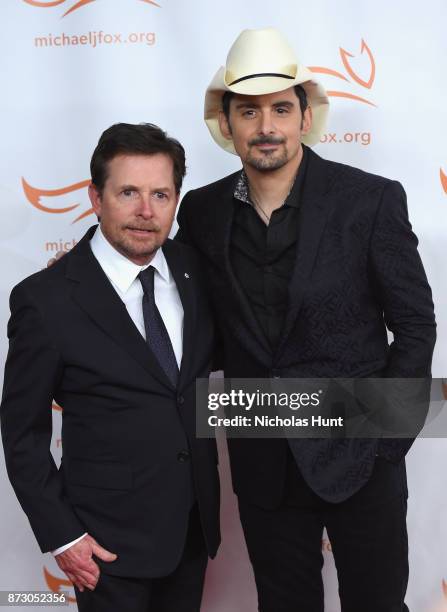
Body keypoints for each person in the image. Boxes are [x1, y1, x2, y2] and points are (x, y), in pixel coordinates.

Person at [176, 28, 436, 612]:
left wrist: (386, 441)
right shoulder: (201, 211)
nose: (265, 126)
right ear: (227, 123)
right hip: (264, 459)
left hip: (360, 457)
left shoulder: (369, 200)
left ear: (303, 117)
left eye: (279, 109)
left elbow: (415, 325)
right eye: (249, 111)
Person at [0, 122, 220, 612]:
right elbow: (22, 434)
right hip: (104, 549)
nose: (146, 211)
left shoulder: (195, 271)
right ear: (96, 198)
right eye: (129, 193)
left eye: (161, 194)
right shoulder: (46, 301)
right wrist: (63, 536)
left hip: (191, 532)